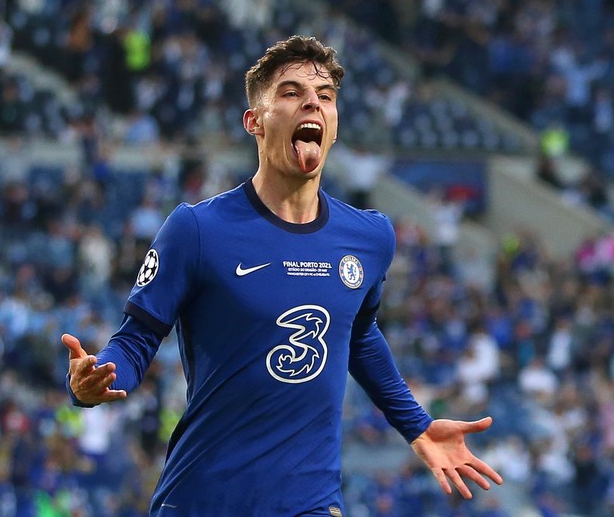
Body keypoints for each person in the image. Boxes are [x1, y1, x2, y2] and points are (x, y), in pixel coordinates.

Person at [62, 35, 503, 515]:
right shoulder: (197, 230)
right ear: (255, 121)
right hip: (203, 498)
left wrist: (415, 423)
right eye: (292, 92)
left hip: (309, 503)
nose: (312, 101)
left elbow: (357, 333)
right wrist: (99, 377)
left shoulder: (370, 237)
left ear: (333, 126)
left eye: (325, 96)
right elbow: (137, 337)